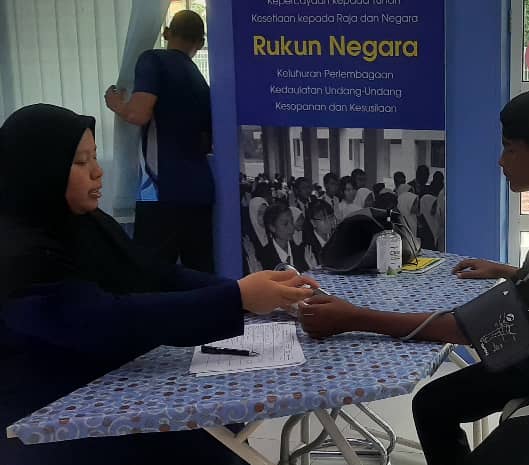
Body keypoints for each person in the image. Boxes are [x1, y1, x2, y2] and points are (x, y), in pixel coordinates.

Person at [297, 89, 529, 465]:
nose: (501, 160)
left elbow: (469, 330)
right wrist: (503, 271)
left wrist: (352, 317)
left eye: (510, 149)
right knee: (432, 405)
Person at [0, 104, 317, 464]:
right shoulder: (16, 255)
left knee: (221, 424)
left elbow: (155, 274)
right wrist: (236, 297)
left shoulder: (86, 222)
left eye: (95, 157)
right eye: (81, 162)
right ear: (42, 171)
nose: (98, 172)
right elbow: (107, 320)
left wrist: (249, 292)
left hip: (114, 384)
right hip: (55, 418)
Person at [104, 10, 215, 272]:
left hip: (161, 190)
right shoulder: (201, 82)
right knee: (199, 275)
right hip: (200, 191)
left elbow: (139, 114)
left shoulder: (153, 60)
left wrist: (116, 103)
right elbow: (206, 140)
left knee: (152, 275)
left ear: (166, 33)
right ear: (200, 42)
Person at [256, 203, 309, 272]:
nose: (291, 227)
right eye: (285, 224)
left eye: (292, 222)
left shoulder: (302, 251)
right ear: (272, 227)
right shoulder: (263, 257)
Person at [303, 200, 335, 269]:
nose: (328, 222)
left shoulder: (337, 237)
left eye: (330, 217)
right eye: (323, 219)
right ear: (313, 223)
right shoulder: (308, 247)